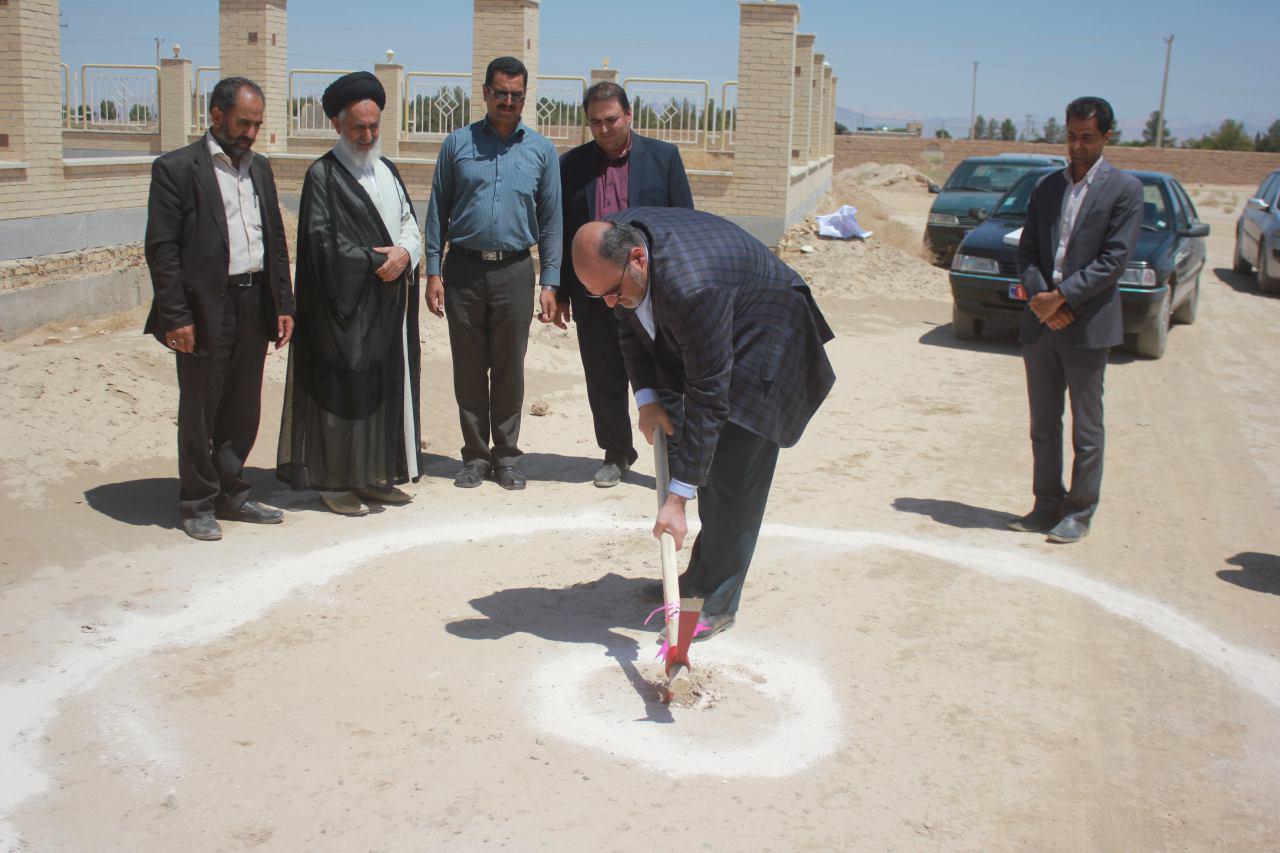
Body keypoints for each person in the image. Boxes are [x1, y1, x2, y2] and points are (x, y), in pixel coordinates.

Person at [571, 209, 836, 639]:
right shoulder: (617, 253)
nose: (610, 303)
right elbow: (628, 327)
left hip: (770, 339)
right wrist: (647, 399)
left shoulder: (693, 288)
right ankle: (696, 581)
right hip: (721, 325)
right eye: (598, 295)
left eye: (614, 292)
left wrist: (677, 499)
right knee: (706, 467)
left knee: (733, 478)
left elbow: (708, 397)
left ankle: (717, 602)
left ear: (638, 258)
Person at [144, 76, 294, 541]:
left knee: (243, 406)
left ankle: (231, 492)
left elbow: (275, 240)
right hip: (204, 307)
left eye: (257, 125)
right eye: (244, 123)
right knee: (200, 408)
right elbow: (162, 250)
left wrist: (284, 302)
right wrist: (176, 316)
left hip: (254, 301)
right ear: (216, 116)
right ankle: (197, 502)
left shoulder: (260, 169)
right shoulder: (176, 169)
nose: (251, 133)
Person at [276, 71, 423, 516]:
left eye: (374, 126)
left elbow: (409, 223)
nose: (368, 135)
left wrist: (405, 253)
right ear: (337, 124)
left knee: (380, 390)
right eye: (359, 127)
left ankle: (372, 477)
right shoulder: (322, 175)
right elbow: (322, 243)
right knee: (340, 395)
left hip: (386, 308)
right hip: (341, 310)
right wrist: (376, 261)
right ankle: (335, 483)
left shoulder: (387, 170)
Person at [424, 56, 562, 491]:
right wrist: (433, 271)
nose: (507, 101)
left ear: (525, 96)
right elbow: (437, 209)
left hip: (515, 271)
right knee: (468, 368)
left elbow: (552, 221)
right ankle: (475, 457)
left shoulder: (541, 151)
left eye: (516, 95)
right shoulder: (457, 144)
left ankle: (507, 458)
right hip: (463, 269)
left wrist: (550, 281)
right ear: (485, 92)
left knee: (508, 368)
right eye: (500, 93)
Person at [1010, 96, 1143, 544]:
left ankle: (1079, 512)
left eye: (1087, 137)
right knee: (1043, 425)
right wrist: (1042, 299)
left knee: (1087, 429)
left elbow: (1114, 260)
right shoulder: (1047, 187)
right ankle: (1046, 504)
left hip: (1086, 325)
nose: (1077, 145)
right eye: (1071, 136)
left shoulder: (1124, 189)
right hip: (1042, 324)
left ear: (1106, 136)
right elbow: (1027, 251)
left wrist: (1062, 298)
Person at [557, 82, 694, 488]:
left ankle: (677, 459)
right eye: (595, 122)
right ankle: (617, 453)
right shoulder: (572, 166)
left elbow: (683, 223)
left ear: (629, 115)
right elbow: (564, 233)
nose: (604, 129)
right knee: (603, 376)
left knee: (665, 375)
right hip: (595, 294)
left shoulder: (664, 158)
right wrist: (561, 291)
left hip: (650, 292)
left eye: (611, 120)